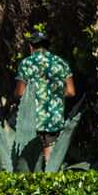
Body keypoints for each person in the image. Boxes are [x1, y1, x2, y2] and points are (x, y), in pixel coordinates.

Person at [15, 32, 76, 161]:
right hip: (54, 121)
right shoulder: (61, 63)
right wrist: (56, 95)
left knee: (31, 162)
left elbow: (20, 92)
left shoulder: (27, 63)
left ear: (31, 46)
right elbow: (71, 92)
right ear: (48, 46)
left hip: (31, 122)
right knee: (50, 162)